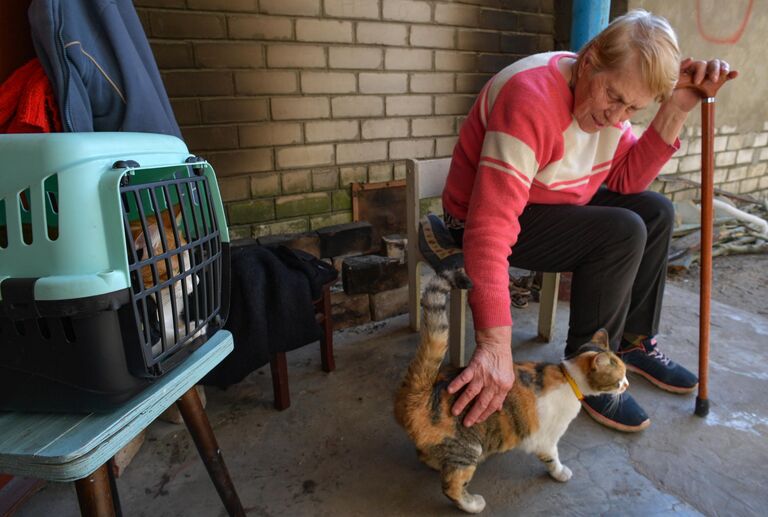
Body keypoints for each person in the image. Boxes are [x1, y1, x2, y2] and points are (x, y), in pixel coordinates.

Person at [441, 9, 733, 432]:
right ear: (590, 59)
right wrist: (494, 344)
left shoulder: (608, 96)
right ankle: (588, 370)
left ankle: (632, 345)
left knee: (654, 211)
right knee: (621, 231)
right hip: (476, 218)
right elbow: (489, 229)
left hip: (548, 201)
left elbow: (626, 179)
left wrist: (677, 107)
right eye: (614, 98)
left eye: (632, 108)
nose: (617, 117)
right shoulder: (532, 99)